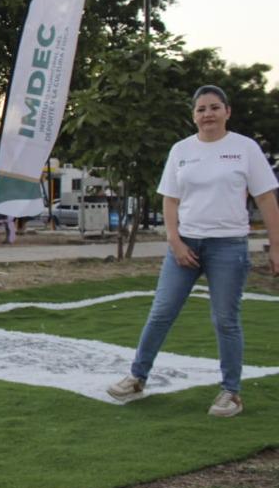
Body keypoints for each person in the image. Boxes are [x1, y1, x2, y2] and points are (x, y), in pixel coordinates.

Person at [107, 85, 279, 417]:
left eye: (214, 107)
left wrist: (276, 247)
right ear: (193, 116)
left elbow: (265, 198)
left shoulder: (245, 148)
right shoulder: (181, 150)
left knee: (225, 320)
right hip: (184, 244)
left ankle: (231, 392)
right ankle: (137, 378)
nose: (208, 114)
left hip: (228, 245)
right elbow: (170, 200)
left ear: (227, 111)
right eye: (201, 109)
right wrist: (174, 241)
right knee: (161, 312)